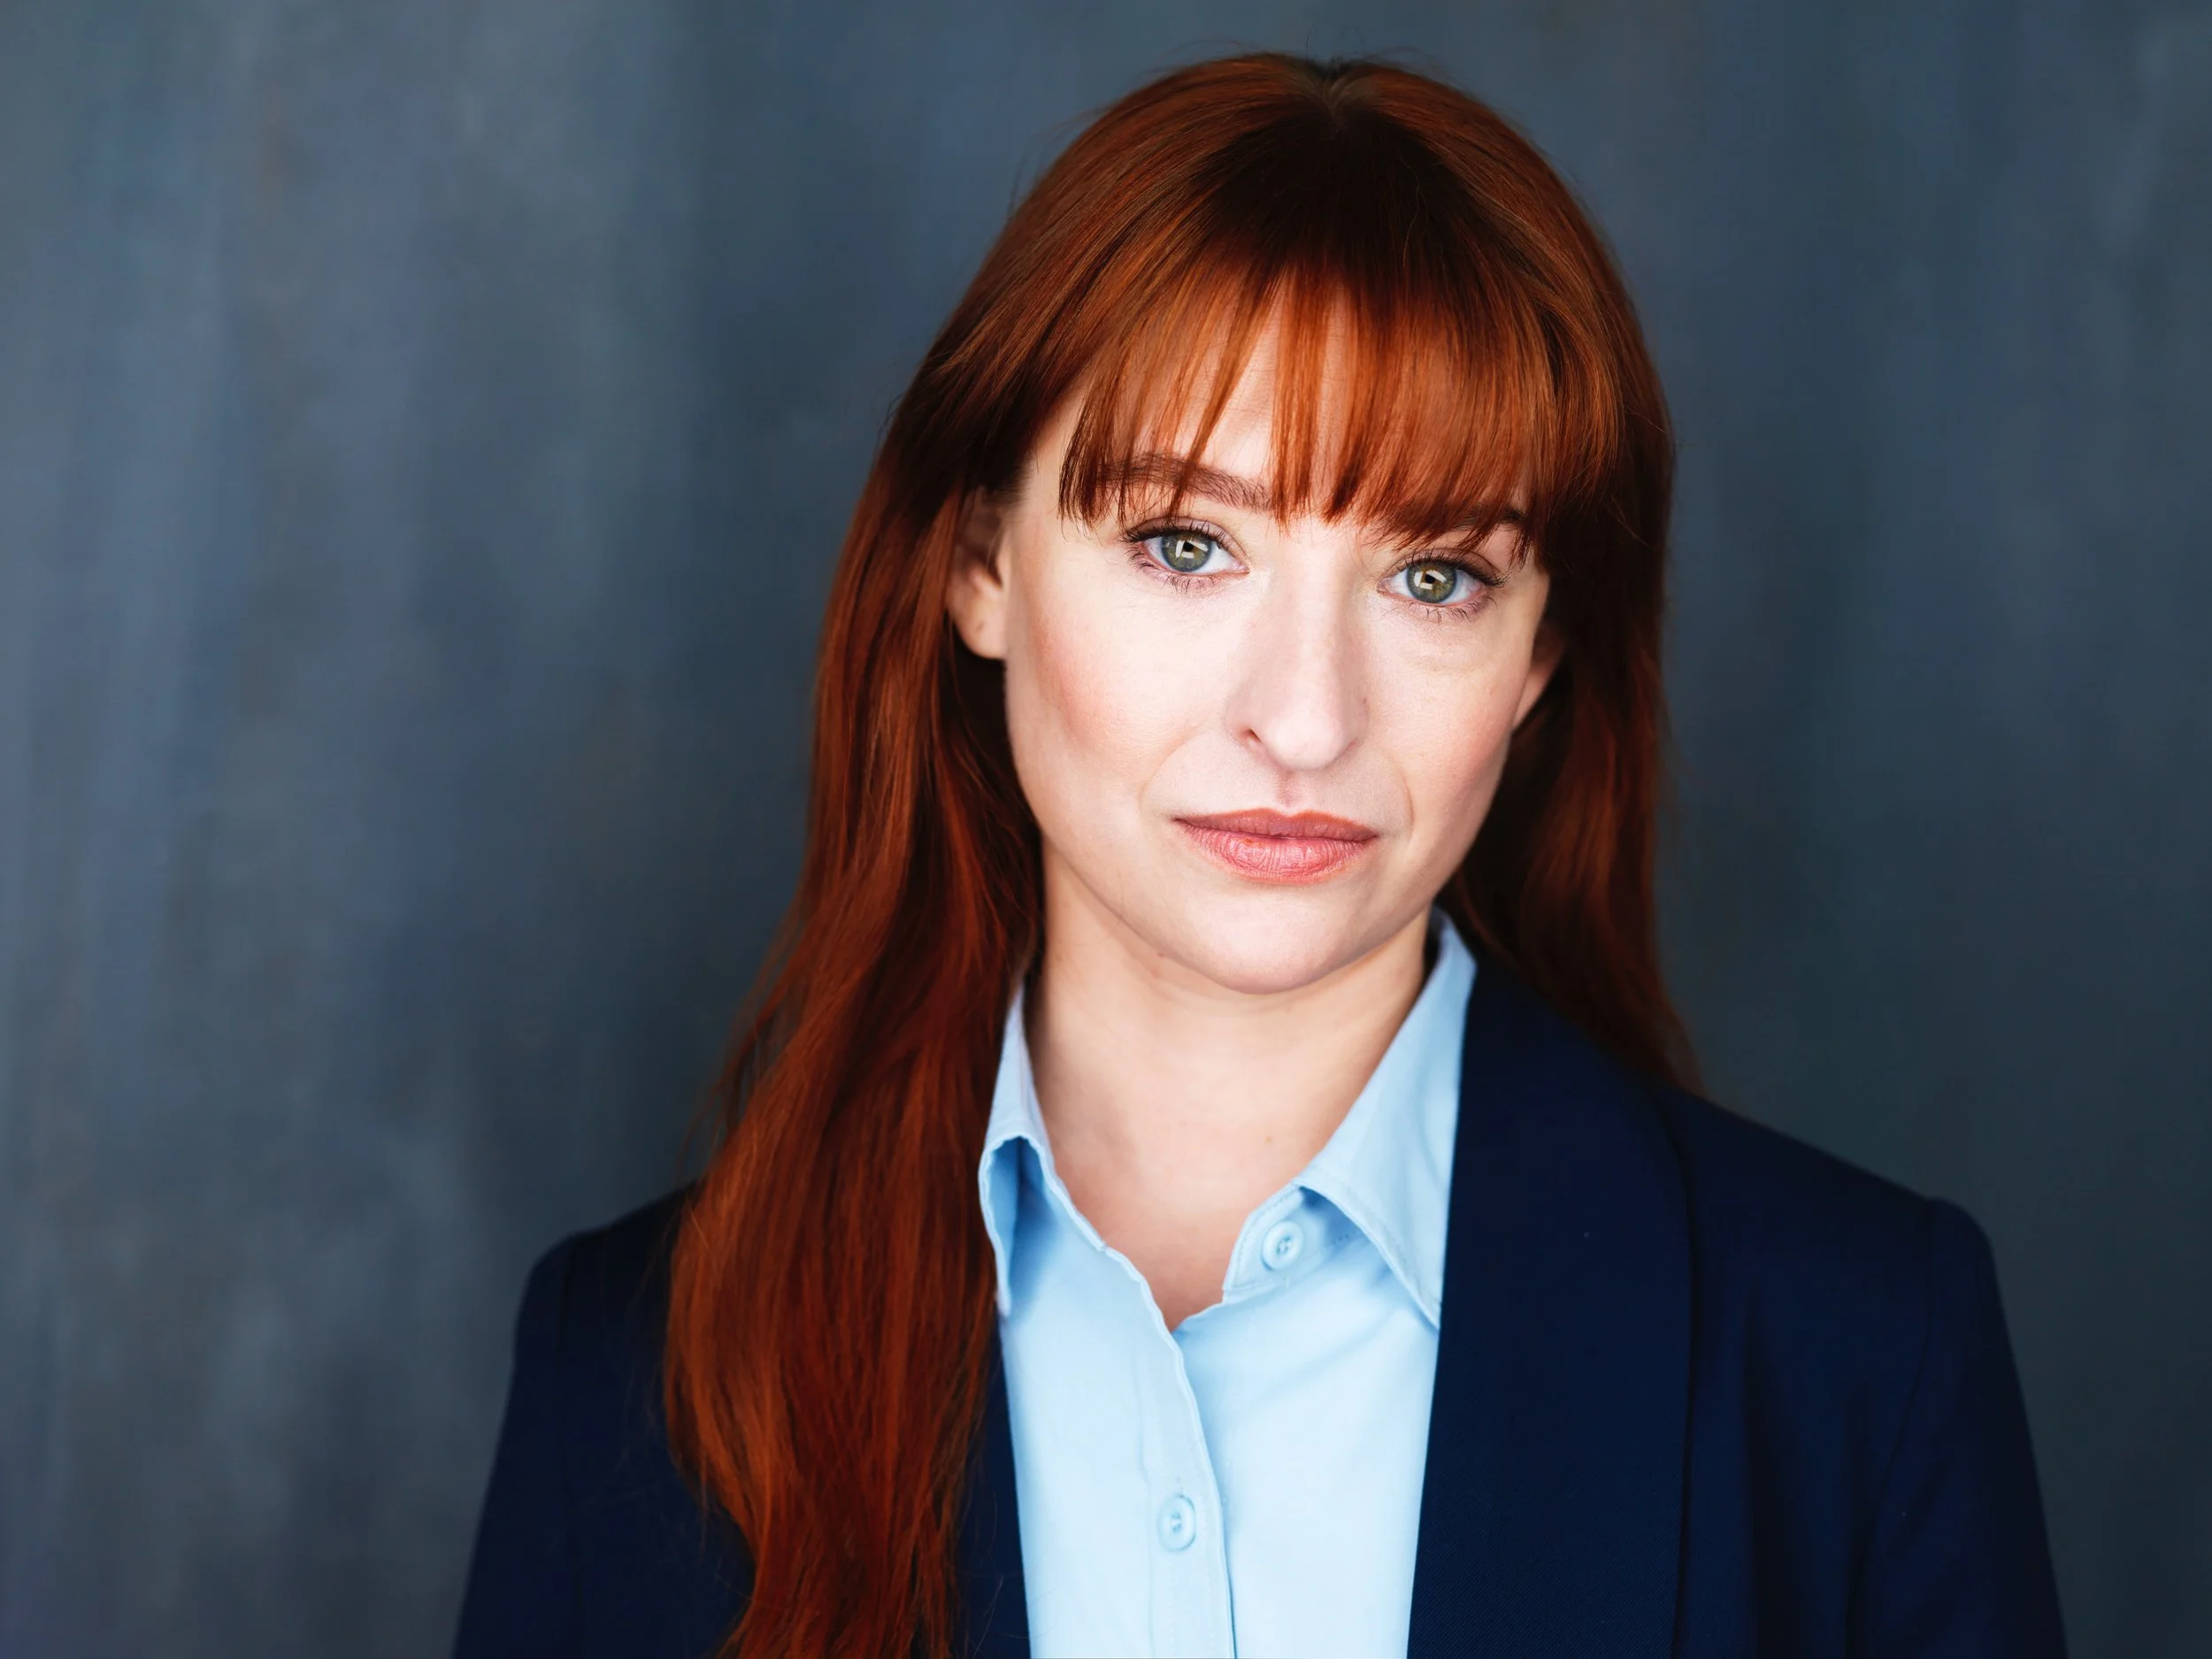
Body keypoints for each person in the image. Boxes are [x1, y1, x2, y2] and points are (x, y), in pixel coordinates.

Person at [451, 51, 2065, 1659]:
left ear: (1542, 653)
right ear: (980, 565)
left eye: (1434, 577)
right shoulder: (626, 1377)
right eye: (1186, 543)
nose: (1303, 719)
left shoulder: (1861, 1353)